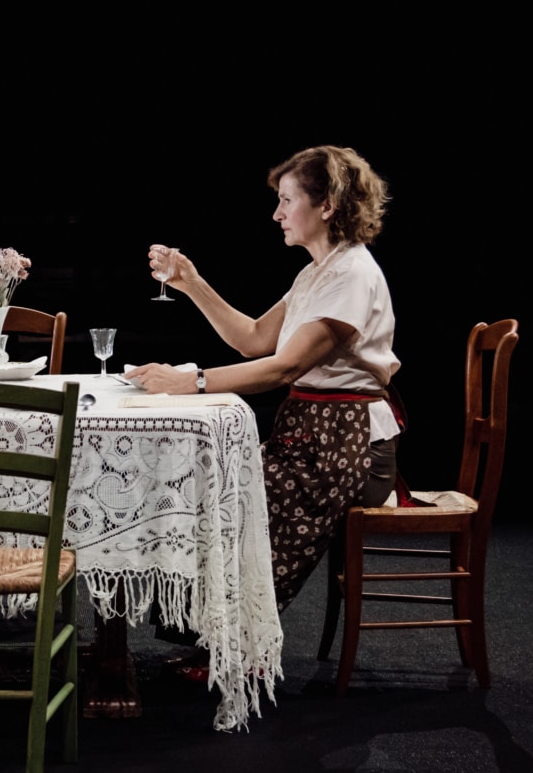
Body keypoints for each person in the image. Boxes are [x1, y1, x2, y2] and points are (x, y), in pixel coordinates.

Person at [127, 145, 399, 611]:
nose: (277, 214)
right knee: (203, 481)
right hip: (314, 439)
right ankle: (212, 629)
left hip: (348, 447)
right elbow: (253, 339)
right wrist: (192, 283)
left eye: (288, 200)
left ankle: (233, 634)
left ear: (327, 205)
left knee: (230, 496)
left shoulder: (351, 274)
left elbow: (284, 367)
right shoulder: (317, 274)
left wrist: (190, 382)